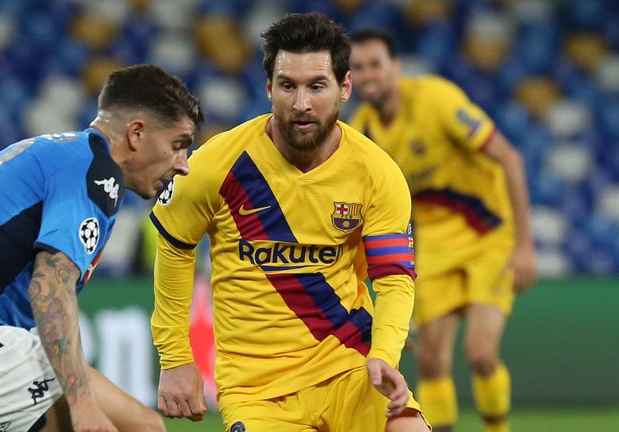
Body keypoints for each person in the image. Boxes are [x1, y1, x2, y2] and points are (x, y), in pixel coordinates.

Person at [0, 64, 203, 432]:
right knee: (140, 427)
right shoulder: (94, 171)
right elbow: (49, 285)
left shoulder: (57, 154)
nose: (183, 165)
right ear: (136, 133)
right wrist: (83, 406)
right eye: (178, 146)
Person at [150, 13, 429, 432]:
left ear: (345, 88)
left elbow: (393, 279)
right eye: (288, 86)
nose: (301, 103)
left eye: (317, 86)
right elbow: (174, 249)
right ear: (269, 90)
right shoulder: (215, 165)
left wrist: (384, 355)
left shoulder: (377, 173)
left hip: (349, 364)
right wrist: (175, 359)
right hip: (258, 389)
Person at [347, 29, 538, 432]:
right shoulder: (361, 133)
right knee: (431, 357)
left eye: (375, 64)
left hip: (488, 234)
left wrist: (524, 245)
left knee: (480, 353)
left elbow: (510, 158)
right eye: (358, 67)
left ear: (395, 67)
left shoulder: (436, 100)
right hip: (433, 244)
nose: (367, 75)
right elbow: (370, 223)